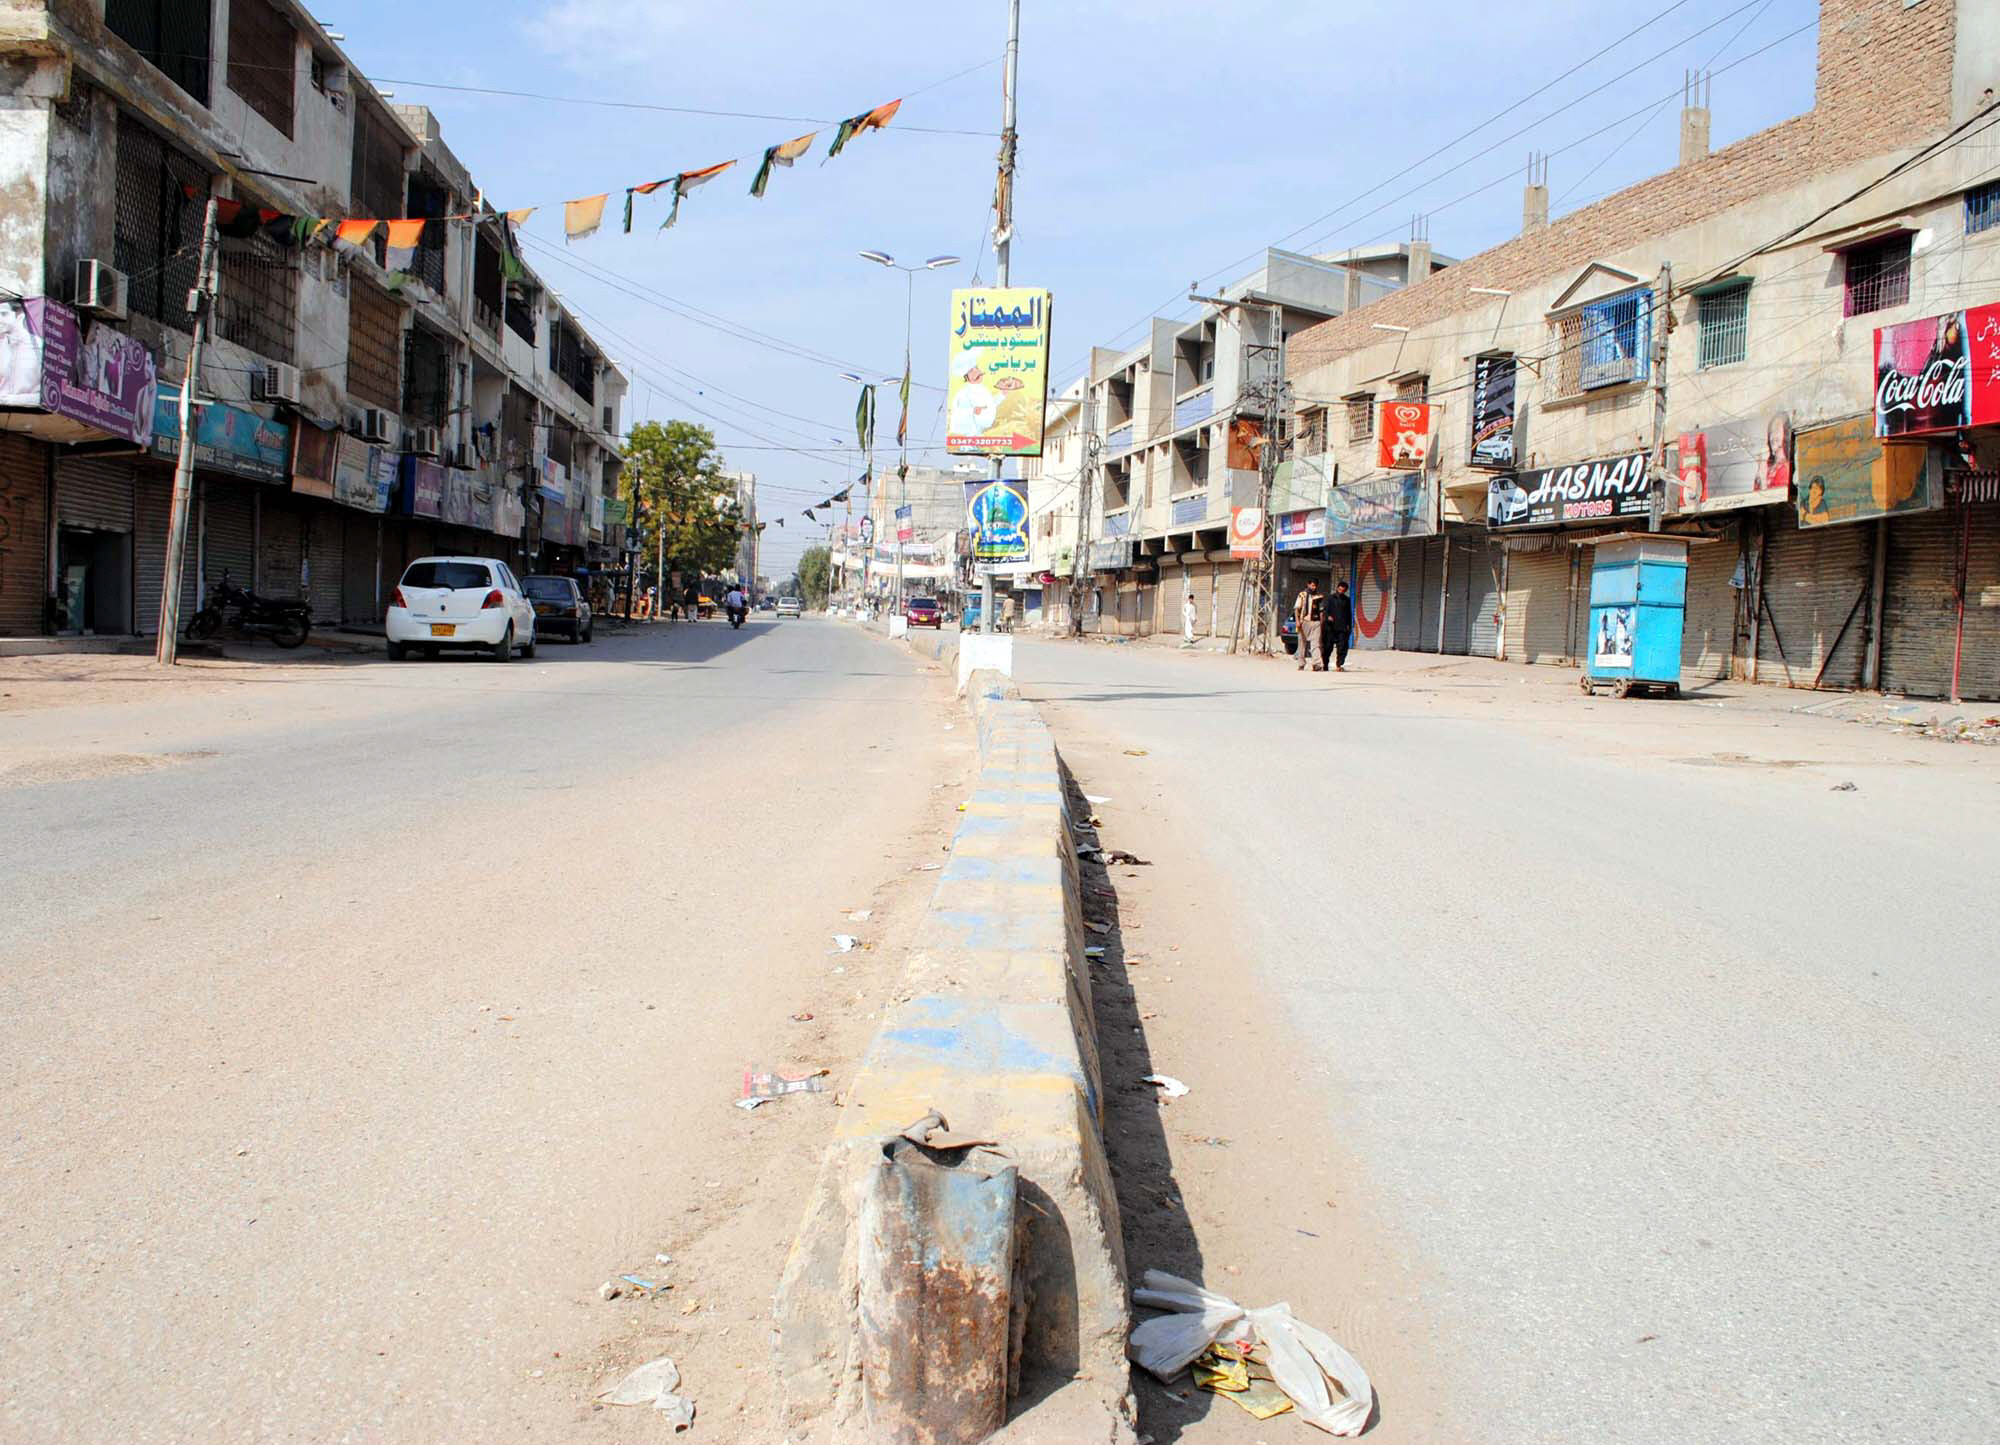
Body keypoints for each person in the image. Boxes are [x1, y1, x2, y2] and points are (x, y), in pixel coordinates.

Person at [1323, 578, 1355, 673]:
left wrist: (1349, 625)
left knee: (1342, 647)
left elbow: (1349, 613)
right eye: (1340, 589)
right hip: (1330, 627)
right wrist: (1328, 616)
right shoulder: (1330, 598)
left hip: (1342, 627)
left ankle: (1339, 664)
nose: (1341, 592)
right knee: (1328, 647)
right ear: (1337, 588)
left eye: (1343, 590)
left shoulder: (1347, 600)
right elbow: (1325, 611)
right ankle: (1325, 665)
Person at [1294, 579, 1321, 670]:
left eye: (1315, 586)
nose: (1314, 587)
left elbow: (1321, 610)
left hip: (1316, 622)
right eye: (1312, 585)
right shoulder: (1302, 595)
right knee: (1302, 643)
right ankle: (1301, 663)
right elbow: (1296, 608)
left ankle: (1316, 663)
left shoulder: (1318, 596)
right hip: (1304, 621)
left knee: (1315, 644)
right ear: (1308, 585)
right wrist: (1297, 621)